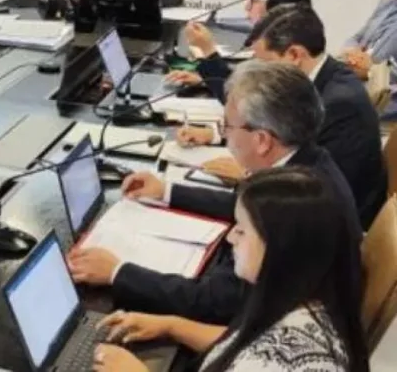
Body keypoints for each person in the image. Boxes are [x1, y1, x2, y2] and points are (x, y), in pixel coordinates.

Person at [68, 60, 363, 325]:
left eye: (227, 126)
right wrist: (166, 191)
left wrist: (118, 272)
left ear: (262, 140)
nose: (223, 135)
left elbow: (215, 301)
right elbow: (242, 205)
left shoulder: (294, 207)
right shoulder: (307, 161)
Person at [92, 167, 367, 372]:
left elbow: (255, 356)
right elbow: (241, 342)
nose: (230, 237)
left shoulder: (279, 360)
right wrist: (172, 326)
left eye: (242, 231)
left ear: (279, 249)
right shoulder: (306, 301)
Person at [174, 4, 386, 227]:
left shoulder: (338, 103)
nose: (259, 73)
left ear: (294, 55)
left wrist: (249, 175)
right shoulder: (319, 80)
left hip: (322, 225)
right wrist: (220, 133)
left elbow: (307, 192)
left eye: (264, 63)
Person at [170, 0, 312, 99]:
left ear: (277, 5)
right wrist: (204, 81)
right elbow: (250, 87)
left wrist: (207, 51)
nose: (247, 6)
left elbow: (242, 101)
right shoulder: (283, 37)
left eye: (255, 0)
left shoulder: (287, 49)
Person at [341, 0, 397, 119]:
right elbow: (357, 38)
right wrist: (354, 55)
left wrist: (371, 71)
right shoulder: (388, 0)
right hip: (362, 96)